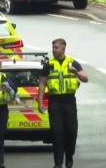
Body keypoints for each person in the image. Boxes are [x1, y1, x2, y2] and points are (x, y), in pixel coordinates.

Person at [38, 38, 89, 168]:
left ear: (63, 48)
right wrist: (40, 102)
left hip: (69, 101)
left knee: (71, 132)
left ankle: (69, 155)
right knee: (57, 133)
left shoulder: (72, 63)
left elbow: (85, 78)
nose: (53, 50)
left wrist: (76, 72)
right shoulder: (49, 64)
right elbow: (42, 83)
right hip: (54, 102)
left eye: (56, 47)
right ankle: (58, 163)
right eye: (53, 47)